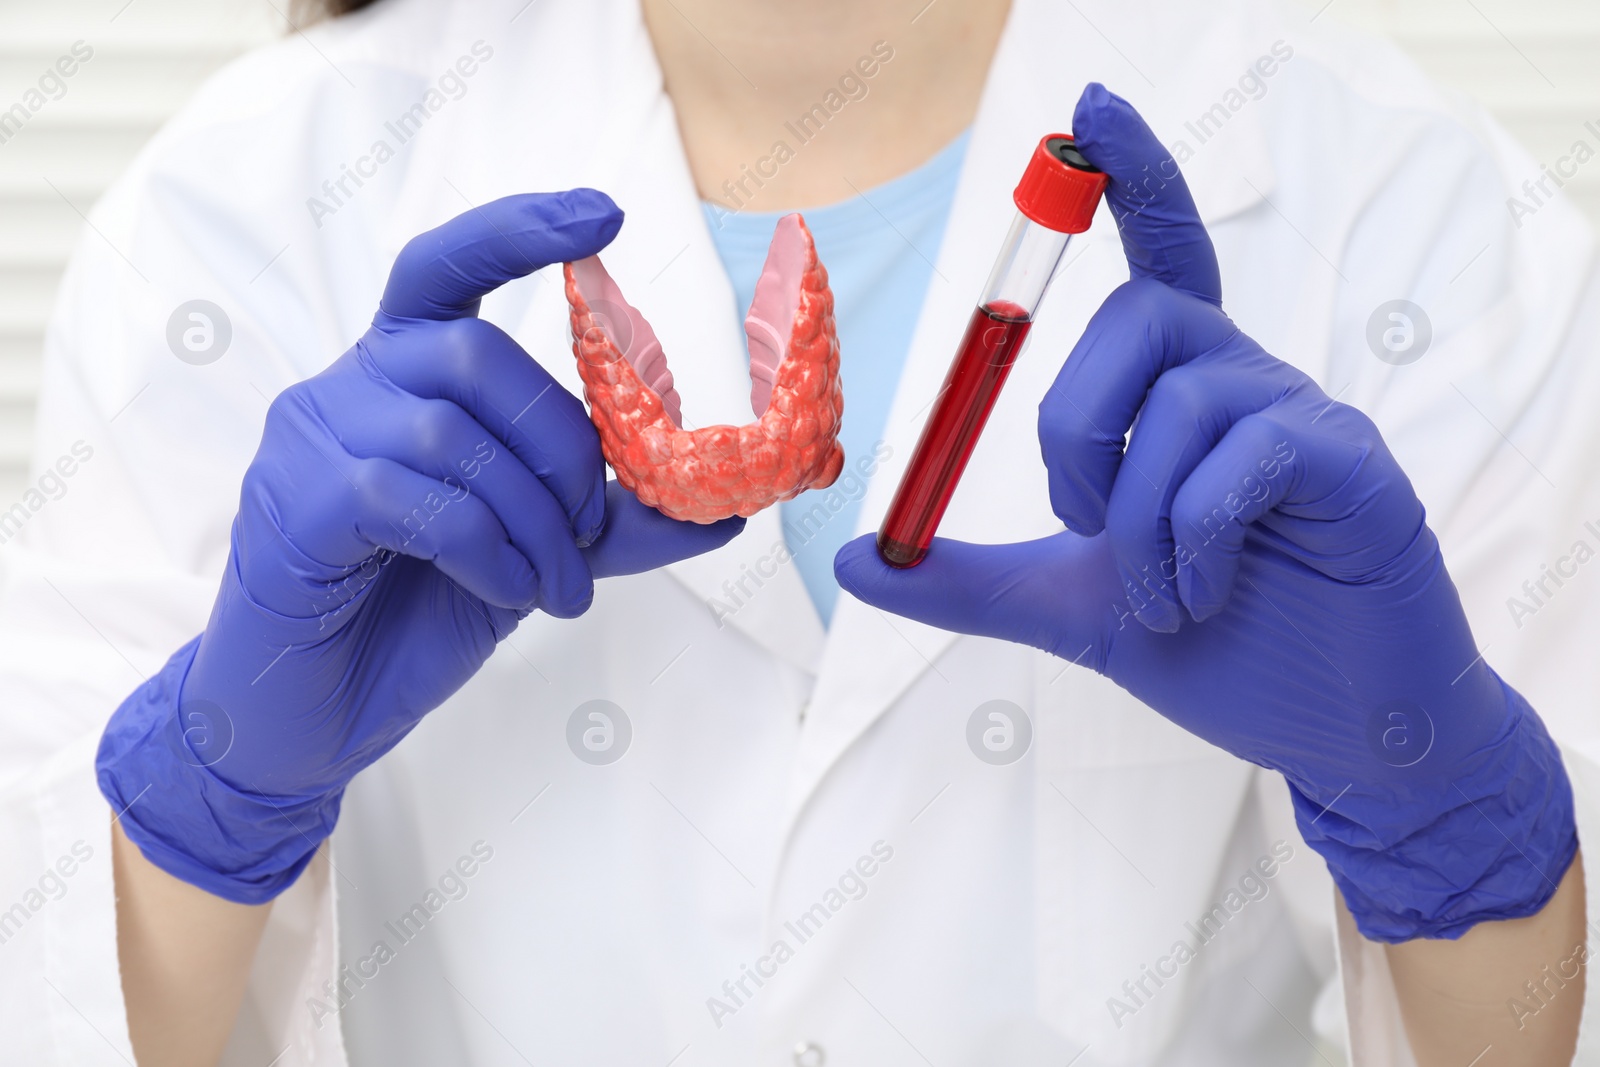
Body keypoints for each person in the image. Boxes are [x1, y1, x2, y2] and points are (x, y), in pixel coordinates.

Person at [3, 1, 1597, 1065]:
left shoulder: (1410, 215)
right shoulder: (245, 206)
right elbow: (54, 987)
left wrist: (1446, 819)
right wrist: (206, 808)